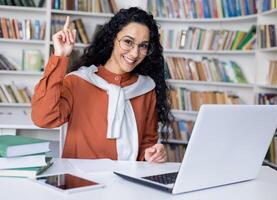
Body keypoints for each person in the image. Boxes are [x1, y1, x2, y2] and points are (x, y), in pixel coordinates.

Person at [31, 7, 172, 163]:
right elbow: (43, 118)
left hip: (126, 183)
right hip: (80, 183)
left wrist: (151, 154)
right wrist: (60, 56)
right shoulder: (78, 81)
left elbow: (146, 142)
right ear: (113, 38)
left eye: (143, 46)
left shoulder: (146, 88)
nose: (134, 53)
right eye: (128, 42)